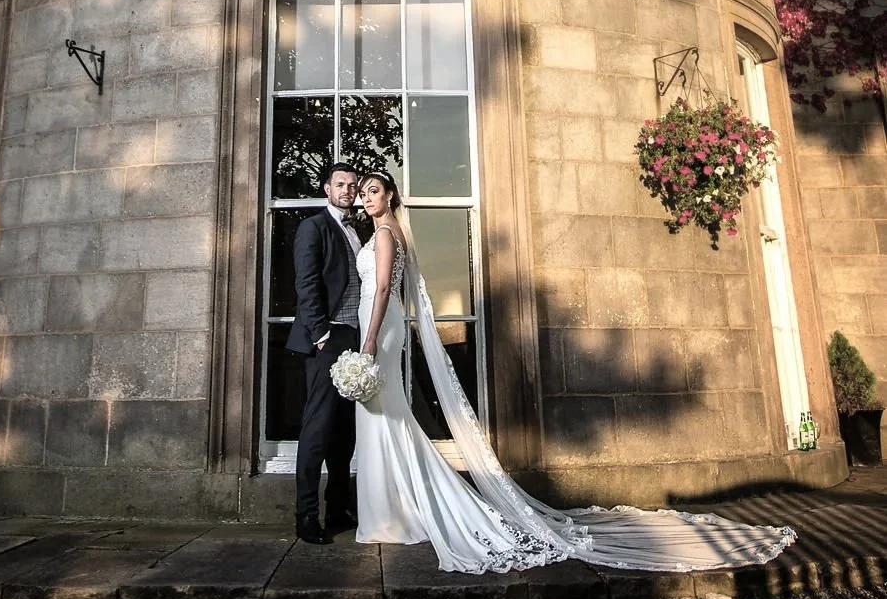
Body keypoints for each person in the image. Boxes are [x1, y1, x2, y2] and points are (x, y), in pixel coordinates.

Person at [353, 169, 798, 575]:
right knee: (386, 418)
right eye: (364, 192)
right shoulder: (382, 233)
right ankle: (398, 509)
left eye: (375, 191)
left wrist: (370, 338)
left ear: (391, 195)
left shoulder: (389, 234)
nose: (368, 197)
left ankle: (394, 513)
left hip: (380, 326)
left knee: (381, 416)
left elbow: (382, 291)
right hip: (378, 324)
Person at [286, 161, 361, 543]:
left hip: (355, 337)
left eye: (352, 185)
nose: (347, 190)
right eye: (340, 185)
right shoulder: (313, 227)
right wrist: (320, 334)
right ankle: (305, 515)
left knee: (344, 430)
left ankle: (337, 507)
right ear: (327, 189)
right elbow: (307, 283)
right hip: (326, 340)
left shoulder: (357, 230)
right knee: (317, 428)